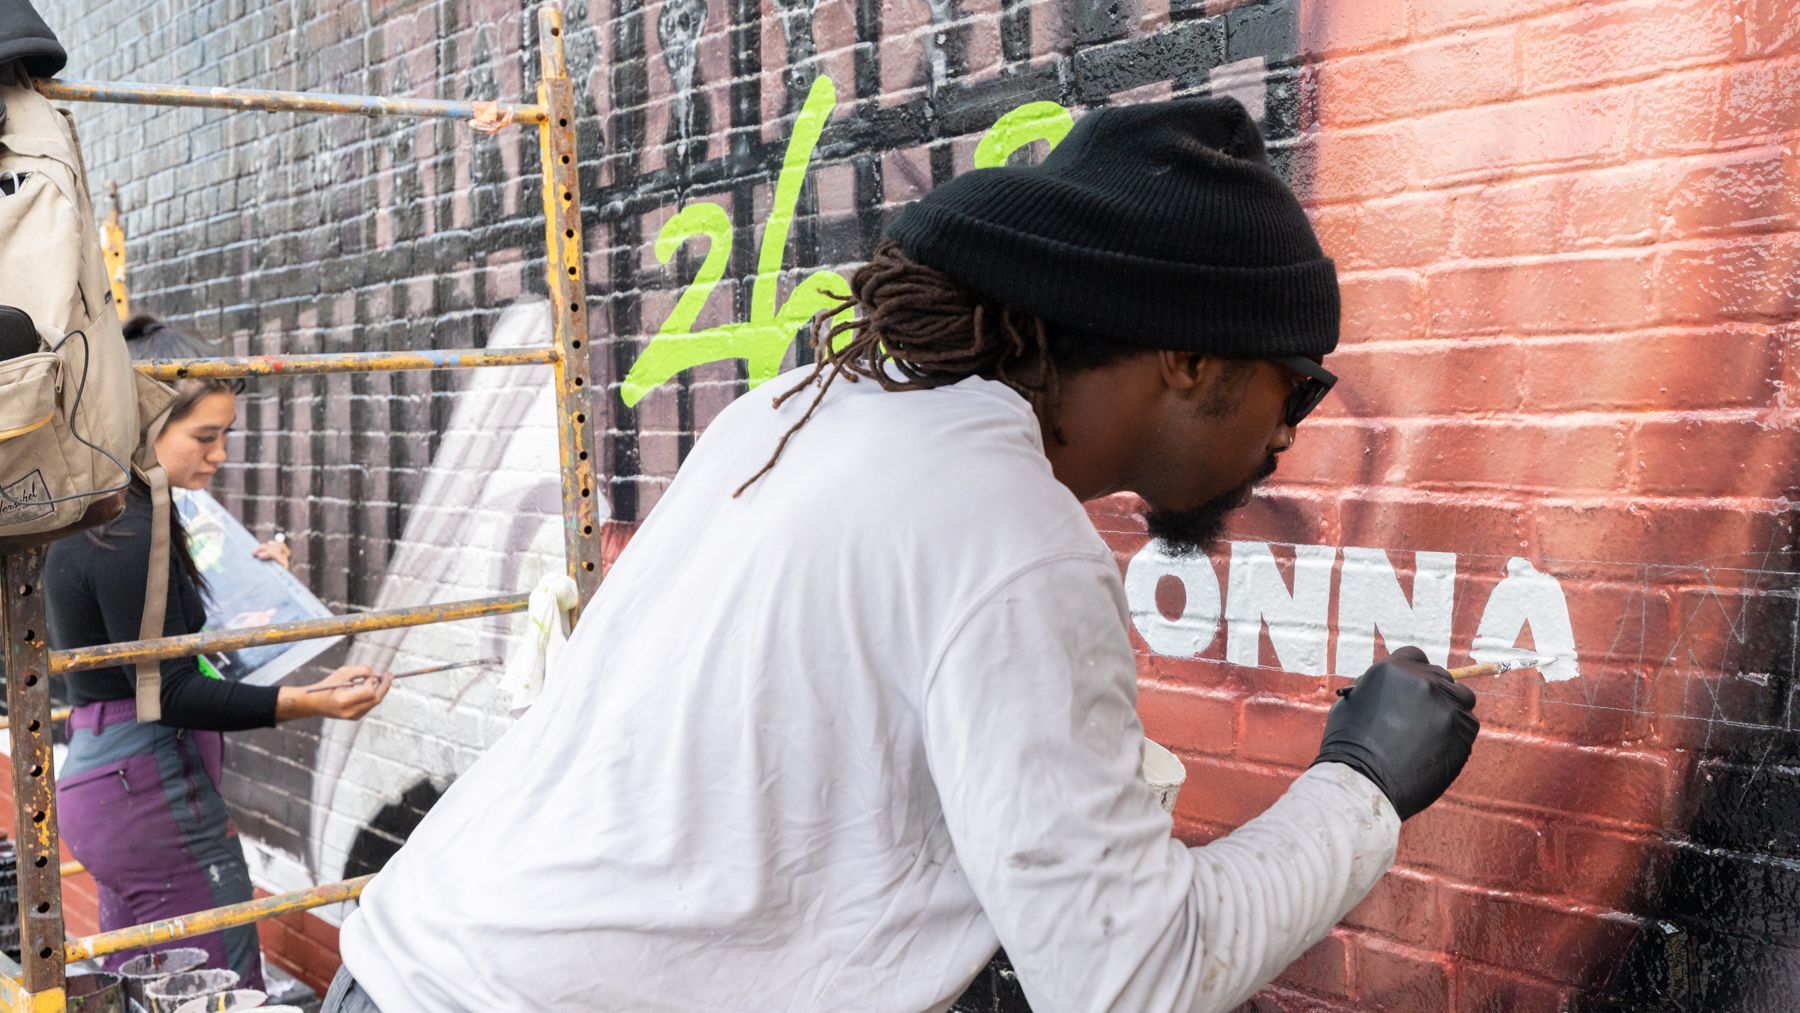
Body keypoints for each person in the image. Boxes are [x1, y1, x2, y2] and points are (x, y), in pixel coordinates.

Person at [330, 98, 1478, 1012]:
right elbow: (1133, 982)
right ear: (1187, 356)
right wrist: (1362, 783)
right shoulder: (1010, 532)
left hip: (408, 960)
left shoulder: (803, 407)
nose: (1291, 430)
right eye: (1300, 381)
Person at [45, 315, 393, 988]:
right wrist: (310, 701)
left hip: (110, 784)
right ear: (142, 422)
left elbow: (144, 638)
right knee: (216, 990)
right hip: (151, 792)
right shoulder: (132, 526)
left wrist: (250, 574)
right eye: (204, 436)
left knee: (149, 986)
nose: (220, 455)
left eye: (225, 435)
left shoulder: (99, 506)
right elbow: (169, 688)